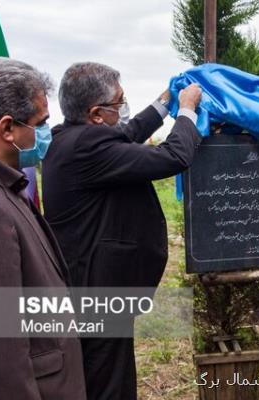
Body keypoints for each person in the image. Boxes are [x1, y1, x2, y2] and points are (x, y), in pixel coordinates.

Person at [41, 62, 202, 400]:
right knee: (108, 383)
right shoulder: (89, 147)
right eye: (120, 103)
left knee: (106, 371)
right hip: (95, 293)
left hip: (89, 285)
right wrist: (186, 111)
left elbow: (127, 132)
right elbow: (174, 156)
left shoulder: (71, 137)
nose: (125, 110)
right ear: (96, 114)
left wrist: (164, 101)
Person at [0, 57, 86, 399]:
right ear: (7, 128)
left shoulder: (4, 186)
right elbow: (1, 346)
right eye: (40, 123)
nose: (46, 133)